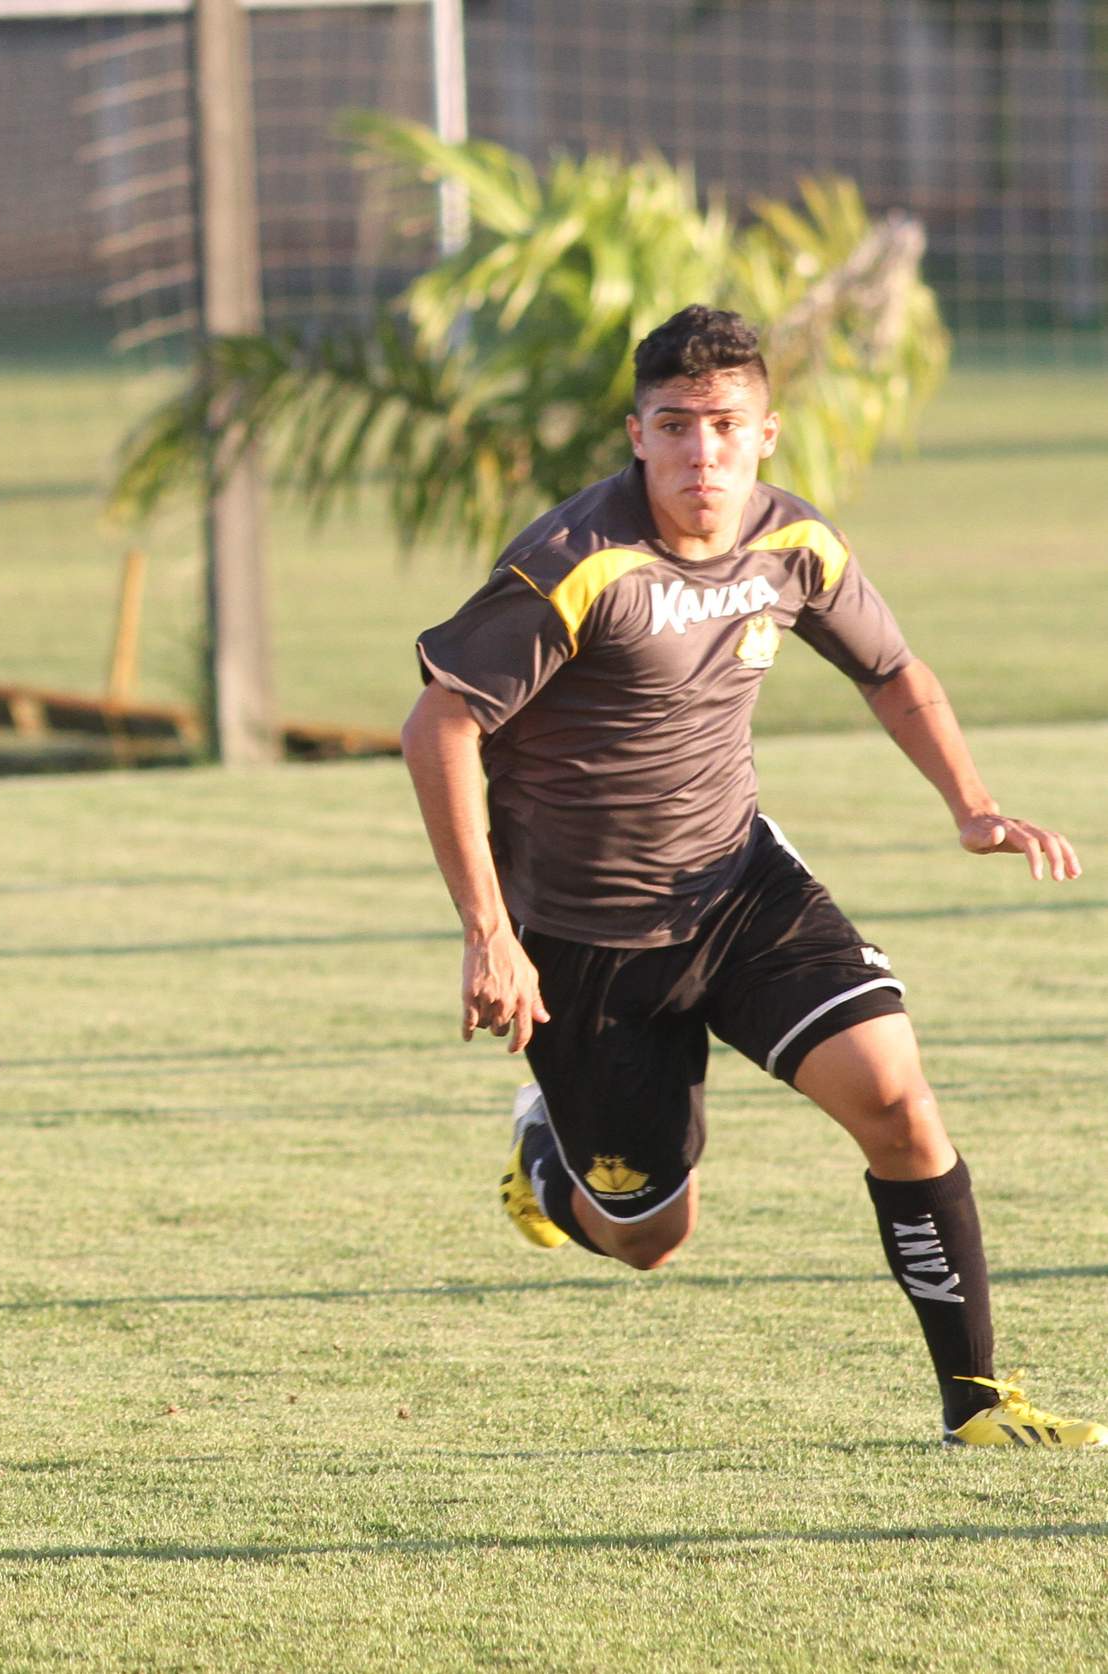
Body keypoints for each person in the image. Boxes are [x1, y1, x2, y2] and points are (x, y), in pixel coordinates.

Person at [404, 304, 1097, 1448]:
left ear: (766, 432)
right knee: (645, 1240)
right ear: (635, 435)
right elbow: (438, 727)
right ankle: (546, 1152)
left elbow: (892, 670)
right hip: (584, 940)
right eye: (674, 426)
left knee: (896, 1100)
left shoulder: (794, 544)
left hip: (738, 886)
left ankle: (973, 1401)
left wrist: (970, 805)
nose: (701, 452)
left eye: (724, 424)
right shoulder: (576, 566)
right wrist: (489, 931)